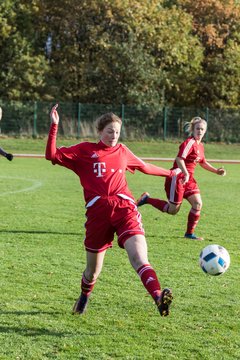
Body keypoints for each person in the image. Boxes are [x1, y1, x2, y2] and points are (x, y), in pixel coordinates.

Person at [45, 104, 176, 317]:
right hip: (98, 214)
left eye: (117, 132)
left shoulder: (122, 151)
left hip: (125, 208)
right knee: (92, 271)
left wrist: (170, 174)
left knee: (139, 258)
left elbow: (144, 166)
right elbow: (51, 155)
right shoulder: (84, 151)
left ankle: (158, 297)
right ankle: (84, 297)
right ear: (99, 132)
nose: (114, 135)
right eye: (109, 131)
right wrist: (55, 126)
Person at [137, 117, 226, 241]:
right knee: (173, 210)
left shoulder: (200, 146)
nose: (199, 131)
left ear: (205, 131)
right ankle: (147, 199)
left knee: (198, 203)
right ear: (193, 130)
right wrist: (185, 173)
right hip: (178, 177)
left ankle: (189, 234)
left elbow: (203, 162)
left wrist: (216, 171)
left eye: (202, 129)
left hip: (188, 179)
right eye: (197, 128)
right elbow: (179, 159)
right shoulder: (189, 142)